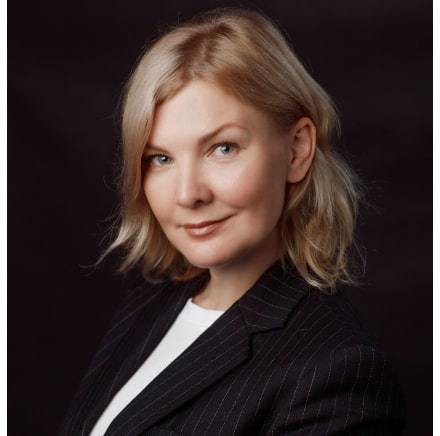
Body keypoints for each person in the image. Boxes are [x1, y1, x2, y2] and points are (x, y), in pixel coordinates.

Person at [59, 7, 406, 435]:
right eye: (161, 158)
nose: (188, 194)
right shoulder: (150, 304)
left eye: (222, 148)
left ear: (297, 149)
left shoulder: (336, 371)